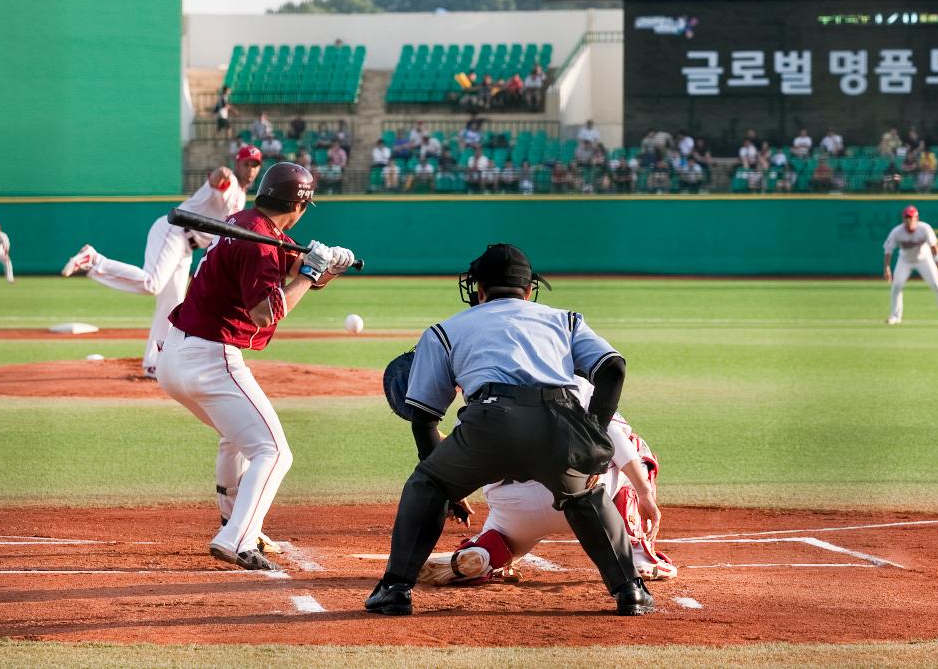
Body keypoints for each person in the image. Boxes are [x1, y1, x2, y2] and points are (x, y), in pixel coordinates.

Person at [364, 243, 654, 616]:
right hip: (558, 421)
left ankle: (395, 590)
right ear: (530, 289)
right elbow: (613, 367)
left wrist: (447, 486)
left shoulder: (446, 330)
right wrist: (593, 433)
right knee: (585, 496)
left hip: (489, 421)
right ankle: (629, 591)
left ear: (478, 289)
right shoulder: (564, 320)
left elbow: (423, 416)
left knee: (426, 485)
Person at [157, 162, 356, 571]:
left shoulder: (247, 223)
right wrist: (310, 272)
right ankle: (236, 538)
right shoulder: (260, 242)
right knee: (274, 451)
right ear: (299, 206)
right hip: (211, 359)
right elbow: (266, 312)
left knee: (237, 438)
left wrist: (328, 268)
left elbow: (297, 274)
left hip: (176, 356)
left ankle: (234, 516)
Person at [415, 376, 674, 587]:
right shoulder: (575, 383)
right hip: (581, 495)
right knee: (635, 447)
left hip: (514, 508)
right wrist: (645, 494)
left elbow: (458, 456)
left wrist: (454, 493)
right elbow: (612, 437)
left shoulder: (483, 394)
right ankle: (637, 554)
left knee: (503, 538)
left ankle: (485, 552)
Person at [58, 146, 263, 377]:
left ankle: (154, 363)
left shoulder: (242, 196)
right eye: (246, 163)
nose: (251, 169)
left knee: (172, 306)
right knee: (151, 283)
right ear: (237, 164)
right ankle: (94, 260)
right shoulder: (231, 184)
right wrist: (220, 173)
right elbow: (218, 180)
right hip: (174, 232)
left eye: (255, 165)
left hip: (186, 247)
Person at [882, 205, 938, 325]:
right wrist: (887, 268)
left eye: (911, 217)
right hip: (905, 261)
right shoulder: (897, 232)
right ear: (903, 219)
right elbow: (888, 250)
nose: (909, 220)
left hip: (924, 259)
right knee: (897, 286)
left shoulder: (924, 229)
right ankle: (895, 316)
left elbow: (934, 246)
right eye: (907, 217)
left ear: (917, 218)